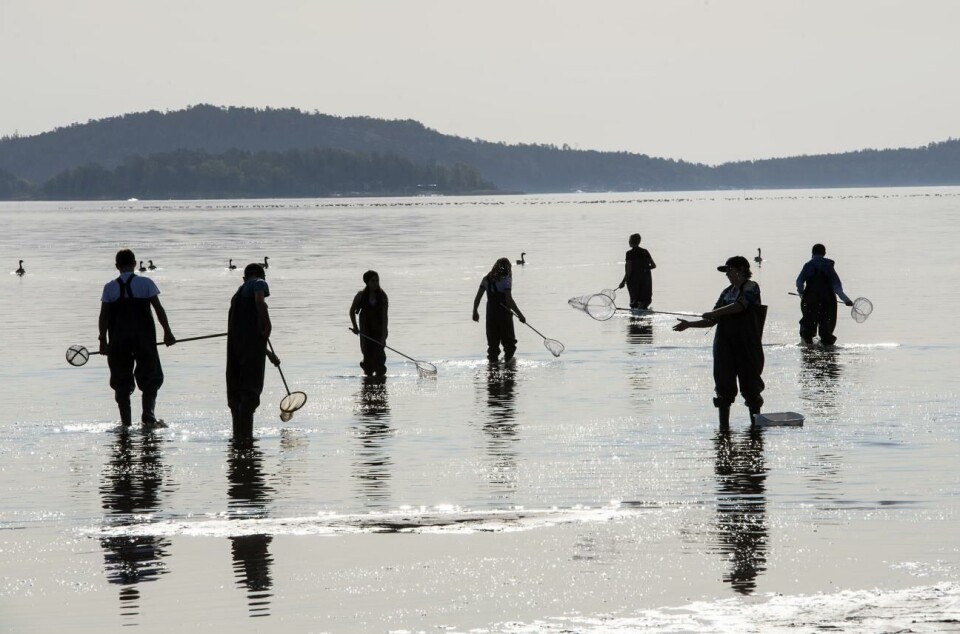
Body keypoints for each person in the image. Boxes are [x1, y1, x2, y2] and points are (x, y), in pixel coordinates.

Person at [673, 256, 766, 425]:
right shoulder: (726, 292)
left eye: (729, 270)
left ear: (741, 270)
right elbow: (712, 320)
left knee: (751, 386)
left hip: (747, 346)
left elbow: (740, 306)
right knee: (723, 388)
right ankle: (724, 429)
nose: (727, 275)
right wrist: (689, 325)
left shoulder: (752, 287)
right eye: (726, 272)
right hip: (724, 346)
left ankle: (755, 427)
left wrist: (716, 313)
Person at [98, 249, 176, 426]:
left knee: (121, 381)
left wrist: (103, 341)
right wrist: (168, 332)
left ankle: (126, 423)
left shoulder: (110, 287)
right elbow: (158, 309)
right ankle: (148, 416)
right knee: (150, 377)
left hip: (118, 341)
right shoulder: (146, 283)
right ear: (134, 263)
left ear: (117, 266)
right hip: (144, 339)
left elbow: (104, 316)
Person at [227, 263, 279, 439]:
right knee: (250, 391)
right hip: (250, 350)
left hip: (235, 349)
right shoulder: (258, 282)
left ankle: (238, 437)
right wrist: (268, 324)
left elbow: (247, 335)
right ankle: (247, 438)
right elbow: (259, 301)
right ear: (262, 275)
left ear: (243, 278)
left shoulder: (237, 294)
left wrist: (269, 354)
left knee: (237, 394)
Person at [796, 243, 853, 346]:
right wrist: (846, 300)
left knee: (807, 328)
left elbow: (799, 282)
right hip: (828, 302)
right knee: (826, 330)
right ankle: (826, 346)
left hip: (811, 300)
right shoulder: (829, 267)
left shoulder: (808, 265)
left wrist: (801, 292)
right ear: (824, 253)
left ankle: (808, 346)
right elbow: (837, 287)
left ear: (812, 253)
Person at [473, 257, 526, 362]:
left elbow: (478, 296)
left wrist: (475, 311)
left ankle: (493, 367)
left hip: (491, 316)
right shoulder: (506, 279)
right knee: (509, 344)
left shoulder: (486, 279)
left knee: (493, 345)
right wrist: (520, 315)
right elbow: (509, 300)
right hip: (504, 316)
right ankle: (508, 366)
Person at [349, 270, 389, 377]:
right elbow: (352, 311)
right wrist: (355, 327)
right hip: (365, 331)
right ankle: (368, 379)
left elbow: (385, 317)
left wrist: (383, 336)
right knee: (368, 357)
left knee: (379, 357)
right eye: (373, 281)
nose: (376, 283)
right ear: (367, 282)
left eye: (377, 280)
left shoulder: (382, 296)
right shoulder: (361, 295)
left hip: (379, 330)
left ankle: (380, 382)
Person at [618, 233, 656, 309]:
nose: (628, 242)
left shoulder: (629, 253)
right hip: (646, 280)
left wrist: (623, 282)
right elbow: (653, 265)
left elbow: (629, 270)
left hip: (633, 282)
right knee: (644, 302)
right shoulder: (645, 251)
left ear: (631, 242)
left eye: (629, 240)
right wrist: (643, 269)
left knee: (634, 302)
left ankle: (634, 317)